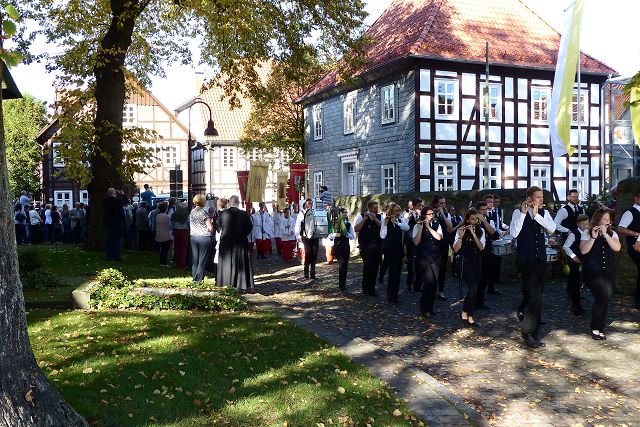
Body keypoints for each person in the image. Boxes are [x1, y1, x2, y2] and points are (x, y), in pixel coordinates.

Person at [510, 186, 556, 348]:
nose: (541, 200)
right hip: (526, 259)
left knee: (536, 293)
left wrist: (537, 216)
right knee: (535, 296)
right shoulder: (518, 213)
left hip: (540, 259)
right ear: (529, 198)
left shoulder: (544, 213)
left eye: (542, 197)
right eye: (538, 197)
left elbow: (552, 228)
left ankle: (525, 310)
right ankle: (528, 332)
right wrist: (524, 214)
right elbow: (514, 233)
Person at [580, 208, 621, 340]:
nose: (607, 221)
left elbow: (617, 248)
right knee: (601, 297)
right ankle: (595, 328)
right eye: (604, 219)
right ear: (597, 220)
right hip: (593, 272)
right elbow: (583, 251)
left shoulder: (612, 233)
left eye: (609, 219)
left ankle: (600, 327)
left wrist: (606, 235)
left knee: (606, 299)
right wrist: (593, 237)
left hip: (608, 271)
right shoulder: (587, 232)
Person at [453, 208, 485, 327]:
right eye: (472, 219)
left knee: (476, 289)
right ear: (467, 220)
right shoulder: (461, 230)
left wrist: (473, 234)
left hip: (477, 262)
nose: (475, 221)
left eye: (476, 218)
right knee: (473, 287)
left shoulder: (481, 230)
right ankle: (464, 311)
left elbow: (481, 247)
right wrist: (461, 237)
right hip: (465, 261)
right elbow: (456, 249)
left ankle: (470, 315)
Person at [216, 195, 254, 290]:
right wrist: (242, 234)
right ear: (238, 203)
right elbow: (249, 227)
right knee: (240, 263)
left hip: (226, 241)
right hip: (240, 240)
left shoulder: (223, 213)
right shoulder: (244, 214)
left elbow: (218, 226)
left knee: (227, 262)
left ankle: (226, 282)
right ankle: (241, 284)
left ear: (229, 203)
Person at [413, 206, 443, 318]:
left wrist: (428, 227)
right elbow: (416, 242)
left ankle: (430, 308)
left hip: (435, 257)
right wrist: (421, 228)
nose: (431, 216)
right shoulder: (417, 226)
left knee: (434, 283)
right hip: (423, 258)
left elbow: (439, 237)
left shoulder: (437, 225)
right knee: (428, 282)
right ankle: (423, 308)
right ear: (424, 215)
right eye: (429, 214)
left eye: (432, 214)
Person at [380, 202, 409, 303]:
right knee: (392, 272)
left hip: (399, 250)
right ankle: (390, 295)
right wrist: (385, 223)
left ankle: (395, 296)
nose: (397, 213)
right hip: (389, 250)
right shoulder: (385, 221)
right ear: (391, 211)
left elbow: (407, 228)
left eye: (399, 211)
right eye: (396, 211)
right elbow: (382, 235)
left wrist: (397, 223)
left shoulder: (401, 220)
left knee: (397, 274)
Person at [616, 188, 640, 310]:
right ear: (636, 198)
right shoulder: (630, 213)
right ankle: (638, 300)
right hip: (634, 246)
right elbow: (620, 228)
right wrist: (635, 233)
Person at [562, 214, 590, 316]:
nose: (584, 226)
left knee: (577, 280)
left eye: (586, 223)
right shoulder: (573, 234)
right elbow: (566, 247)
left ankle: (573, 293)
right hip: (574, 260)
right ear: (578, 224)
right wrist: (574, 257)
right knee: (576, 281)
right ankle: (576, 306)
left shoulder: (589, 233)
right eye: (582, 224)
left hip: (583, 260)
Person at [354, 200, 382, 296]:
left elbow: (383, 227)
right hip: (365, 247)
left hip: (377, 246)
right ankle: (365, 288)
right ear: (369, 208)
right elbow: (356, 229)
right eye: (374, 208)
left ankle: (372, 289)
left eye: (377, 208)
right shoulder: (362, 216)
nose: (376, 210)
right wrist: (364, 220)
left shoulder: (379, 217)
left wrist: (375, 219)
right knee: (368, 267)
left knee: (375, 267)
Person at [475, 201, 498, 309]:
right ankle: (474, 301)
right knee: (477, 278)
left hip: (486, 251)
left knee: (484, 277)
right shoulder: (473, 220)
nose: (484, 212)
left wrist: (484, 221)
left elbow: (494, 234)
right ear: (478, 210)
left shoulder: (488, 220)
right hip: (476, 252)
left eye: (486, 210)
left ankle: (480, 301)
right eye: (482, 210)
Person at [432, 195, 454, 300]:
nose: (443, 205)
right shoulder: (431, 213)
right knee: (433, 267)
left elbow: (450, 228)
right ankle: (432, 289)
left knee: (443, 267)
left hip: (444, 243)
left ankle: (441, 291)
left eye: (444, 203)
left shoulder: (446, 214)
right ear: (436, 204)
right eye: (441, 203)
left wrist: (442, 214)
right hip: (433, 243)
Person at [329, 208, 355, 291]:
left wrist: (346, 233)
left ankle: (343, 283)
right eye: (344, 212)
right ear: (340, 213)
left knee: (345, 265)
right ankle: (341, 284)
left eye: (346, 212)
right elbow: (330, 236)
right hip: (338, 247)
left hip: (346, 247)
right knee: (342, 264)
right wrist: (335, 235)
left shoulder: (348, 224)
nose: (346, 213)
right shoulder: (335, 224)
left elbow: (352, 236)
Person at [189, 194, 213, 282]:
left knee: (195, 258)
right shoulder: (204, 212)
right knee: (202, 259)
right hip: (204, 237)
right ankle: (199, 278)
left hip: (194, 237)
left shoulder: (192, 212)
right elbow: (210, 227)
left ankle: (194, 276)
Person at [295, 199, 320, 279]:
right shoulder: (301, 214)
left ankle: (313, 273)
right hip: (305, 236)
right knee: (308, 253)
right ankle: (306, 272)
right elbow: (298, 225)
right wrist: (298, 236)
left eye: (311, 204)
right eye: (309, 204)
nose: (310, 205)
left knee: (314, 254)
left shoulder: (314, 213)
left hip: (314, 236)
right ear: (305, 205)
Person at [404, 199, 423, 291]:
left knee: (419, 264)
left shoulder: (422, 215)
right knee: (411, 264)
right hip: (410, 242)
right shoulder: (408, 214)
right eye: (419, 205)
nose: (420, 207)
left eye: (421, 205)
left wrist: (420, 216)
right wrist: (410, 216)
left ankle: (418, 285)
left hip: (420, 241)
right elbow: (405, 225)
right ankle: (409, 283)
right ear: (414, 206)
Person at [103, 188, 126, 260]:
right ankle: (116, 255)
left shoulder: (105, 201)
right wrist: (121, 194)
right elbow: (126, 201)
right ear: (114, 193)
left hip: (109, 223)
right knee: (117, 240)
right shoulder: (118, 201)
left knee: (109, 240)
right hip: (117, 223)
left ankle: (109, 255)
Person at [171, 201, 190, 269]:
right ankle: (183, 263)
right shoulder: (187, 214)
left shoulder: (174, 214)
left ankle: (177, 262)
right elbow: (189, 223)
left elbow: (172, 223)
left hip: (176, 231)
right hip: (184, 232)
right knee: (183, 247)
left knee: (176, 247)